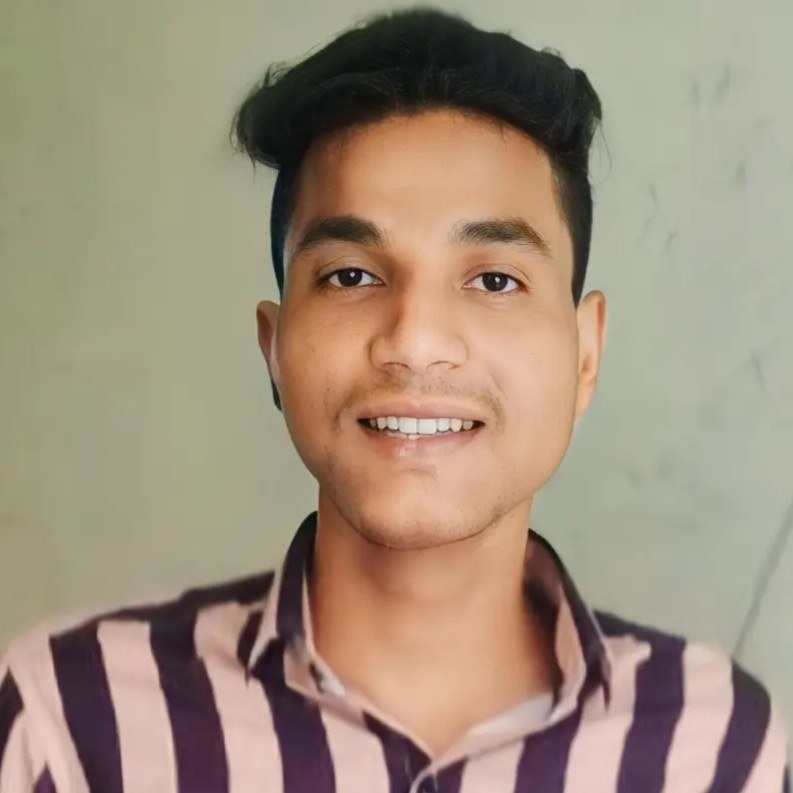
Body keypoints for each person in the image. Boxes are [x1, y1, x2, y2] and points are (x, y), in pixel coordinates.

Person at [0, 7, 788, 792]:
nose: (413, 340)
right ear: (274, 348)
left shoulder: (715, 748)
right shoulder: (71, 721)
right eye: (350, 275)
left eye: (494, 279)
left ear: (585, 354)